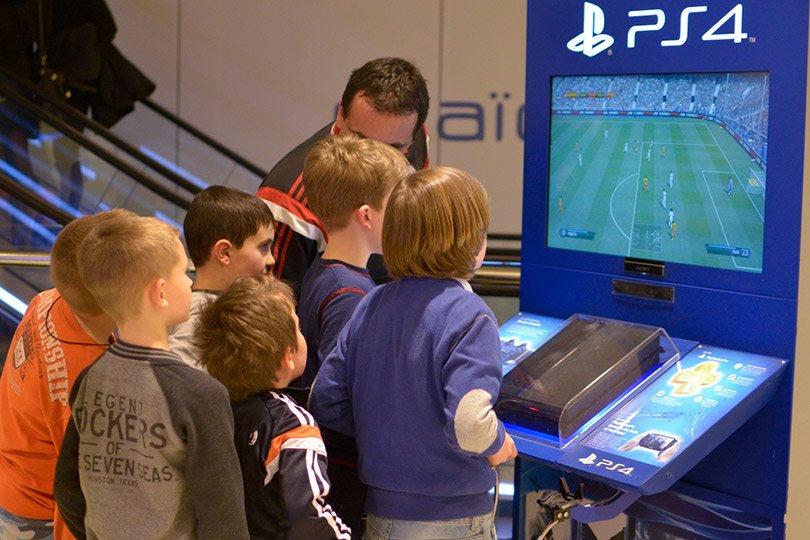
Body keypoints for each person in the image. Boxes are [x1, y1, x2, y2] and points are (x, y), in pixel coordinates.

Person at [310, 167, 517, 540]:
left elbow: (325, 399)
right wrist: (499, 443)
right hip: (454, 519)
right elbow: (470, 424)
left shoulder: (372, 303)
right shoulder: (471, 315)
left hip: (380, 514)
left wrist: (386, 432)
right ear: (472, 243)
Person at [53, 214, 249, 540]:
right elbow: (224, 521)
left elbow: (67, 488)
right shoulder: (200, 394)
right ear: (160, 292)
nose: (190, 282)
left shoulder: (89, 378)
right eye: (183, 272)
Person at [298, 134, 410, 536]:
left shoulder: (327, 274)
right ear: (366, 216)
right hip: (347, 474)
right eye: (396, 205)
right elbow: (342, 397)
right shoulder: (350, 294)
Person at [196, 274, 350, 540]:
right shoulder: (295, 426)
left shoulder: (212, 411)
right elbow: (306, 516)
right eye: (298, 328)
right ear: (287, 356)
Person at [257, 57, 429, 295]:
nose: (376, 160)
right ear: (340, 114)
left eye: (393, 149)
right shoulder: (288, 200)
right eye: (360, 140)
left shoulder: (414, 137)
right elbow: (269, 306)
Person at [0, 211, 123, 540]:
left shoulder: (47, 299)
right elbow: (77, 493)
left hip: (13, 474)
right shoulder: (85, 382)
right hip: (35, 515)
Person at [168, 185, 275, 370]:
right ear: (225, 252)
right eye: (264, 247)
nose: (272, 259)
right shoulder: (205, 322)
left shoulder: (190, 308)